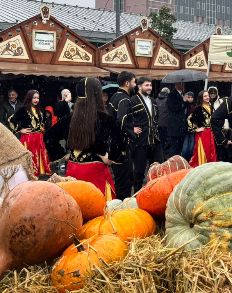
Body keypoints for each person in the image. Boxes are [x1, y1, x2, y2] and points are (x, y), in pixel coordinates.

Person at [45, 78, 123, 195]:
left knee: (75, 206)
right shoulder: (104, 118)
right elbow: (121, 139)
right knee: (95, 207)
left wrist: (64, 155)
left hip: (73, 170)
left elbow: (49, 136)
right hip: (95, 171)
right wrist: (110, 159)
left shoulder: (70, 118)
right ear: (97, 94)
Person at [130, 77, 163, 194]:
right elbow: (127, 118)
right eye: (146, 85)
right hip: (140, 141)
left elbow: (156, 117)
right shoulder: (132, 100)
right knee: (139, 171)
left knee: (157, 169)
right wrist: (132, 128)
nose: (149, 88)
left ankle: (155, 193)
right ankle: (137, 196)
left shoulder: (153, 101)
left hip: (154, 139)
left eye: (150, 85)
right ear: (139, 86)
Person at [107, 71, 137, 200]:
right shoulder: (125, 99)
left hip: (113, 143)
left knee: (120, 179)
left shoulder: (114, 96)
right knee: (125, 181)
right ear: (127, 83)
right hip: (121, 146)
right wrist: (126, 136)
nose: (135, 85)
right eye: (134, 82)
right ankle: (121, 209)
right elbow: (121, 121)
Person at [9, 90, 51, 177]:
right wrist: (20, 129)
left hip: (38, 137)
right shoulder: (23, 109)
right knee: (29, 156)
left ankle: (36, 175)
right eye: (34, 98)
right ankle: (28, 176)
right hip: (28, 138)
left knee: (38, 157)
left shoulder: (40, 110)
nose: (36, 100)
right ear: (29, 98)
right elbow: (11, 120)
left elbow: (43, 123)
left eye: (37, 98)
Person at [188, 90, 218, 167]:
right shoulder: (198, 109)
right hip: (202, 134)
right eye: (205, 96)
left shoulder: (211, 108)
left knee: (211, 153)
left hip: (211, 133)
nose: (207, 97)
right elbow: (189, 119)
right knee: (203, 153)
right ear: (201, 97)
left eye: (208, 95)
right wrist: (196, 129)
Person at [166, 82, 188, 157]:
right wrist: (183, 101)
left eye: (182, 83)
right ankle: (171, 166)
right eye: (179, 83)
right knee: (174, 148)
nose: (181, 85)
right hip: (175, 126)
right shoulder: (171, 95)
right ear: (176, 84)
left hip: (182, 126)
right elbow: (174, 108)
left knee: (180, 148)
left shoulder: (183, 94)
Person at [156, 87, 170, 156]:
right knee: (164, 141)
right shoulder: (168, 100)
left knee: (159, 140)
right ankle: (162, 155)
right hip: (165, 123)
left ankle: (159, 154)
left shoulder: (156, 99)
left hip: (158, 123)